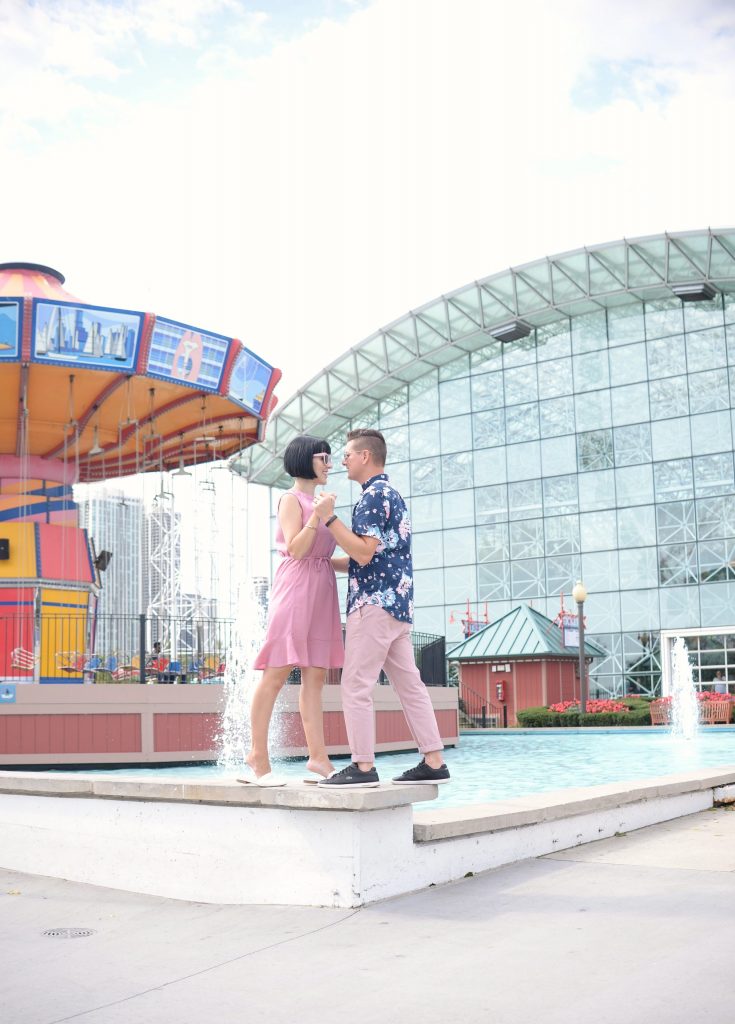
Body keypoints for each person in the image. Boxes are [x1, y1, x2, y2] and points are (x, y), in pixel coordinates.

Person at [313, 428, 450, 788]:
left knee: (355, 685)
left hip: (373, 604)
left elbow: (362, 552)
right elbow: (369, 555)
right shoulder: (392, 495)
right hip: (397, 605)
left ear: (365, 457)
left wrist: (329, 517)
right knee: (410, 685)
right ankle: (433, 760)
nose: (342, 461)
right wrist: (326, 562)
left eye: (347, 454)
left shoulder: (373, 496)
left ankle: (362, 766)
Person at [242, 435, 344, 787]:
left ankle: (318, 758)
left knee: (316, 677)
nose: (330, 465)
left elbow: (324, 556)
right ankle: (258, 756)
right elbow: (298, 549)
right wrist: (319, 515)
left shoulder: (319, 502)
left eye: (330, 459)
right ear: (305, 460)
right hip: (295, 589)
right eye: (324, 458)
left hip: (321, 591)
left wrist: (365, 559)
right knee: (276, 674)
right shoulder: (291, 499)